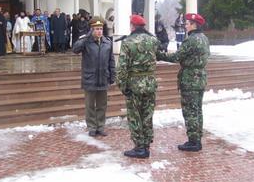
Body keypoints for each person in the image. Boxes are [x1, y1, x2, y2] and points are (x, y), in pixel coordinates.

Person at [157, 13, 210, 152]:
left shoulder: (191, 40)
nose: (185, 25)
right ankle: (197, 138)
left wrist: (159, 54)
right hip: (200, 78)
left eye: (187, 23)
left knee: (190, 111)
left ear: (194, 24)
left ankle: (193, 142)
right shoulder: (204, 38)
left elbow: (176, 56)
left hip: (190, 79)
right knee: (197, 110)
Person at [116, 14, 159, 159]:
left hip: (134, 84)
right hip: (150, 83)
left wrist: (122, 85)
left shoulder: (128, 42)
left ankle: (139, 147)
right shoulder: (153, 40)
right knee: (147, 115)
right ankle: (146, 145)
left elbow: (122, 67)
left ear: (132, 26)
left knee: (135, 116)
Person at [72, 16, 116, 137]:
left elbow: (111, 61)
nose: (99, 31)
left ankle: (100, 126)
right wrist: (86, 37)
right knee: (90, 105)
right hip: (89, 78)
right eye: (96, 29)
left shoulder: (108, 42)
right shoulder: (86, 41)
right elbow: (75, 49)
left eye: (100, 29)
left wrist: (113, 76)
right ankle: (91, 126)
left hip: (103, 78)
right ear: (91, 30)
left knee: (102, 105)